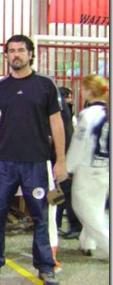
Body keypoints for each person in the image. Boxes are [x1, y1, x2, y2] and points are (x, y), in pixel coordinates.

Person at [0, 34, 67, 285]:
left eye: (21, 50)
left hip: (36, 163)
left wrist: (61, 161)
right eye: (11, 51)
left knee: (41, 216)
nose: (16, 55)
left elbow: (56, 122)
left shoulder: (45, 85)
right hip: (3, 163)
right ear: (7, 55)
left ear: (30, 54)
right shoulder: (0, 89)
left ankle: (46, 266)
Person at [66, 75, 109, 258]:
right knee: (96, 206)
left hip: (88, 167)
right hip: (105, 166)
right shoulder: (106, 112)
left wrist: (68, 168)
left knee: (84, 209)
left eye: (83, 88)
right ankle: (87, 243)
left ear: (90, 91)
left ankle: (107, 244)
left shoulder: (88, 115)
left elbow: (79, 143)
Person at [55, 86, 82, 239]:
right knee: (59, 190)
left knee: (65, 190)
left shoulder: (60, 109)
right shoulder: (63, 108)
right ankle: (56, 221)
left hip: (63, 154)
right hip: (64, 153)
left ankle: (75, 225)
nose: (71, 99)